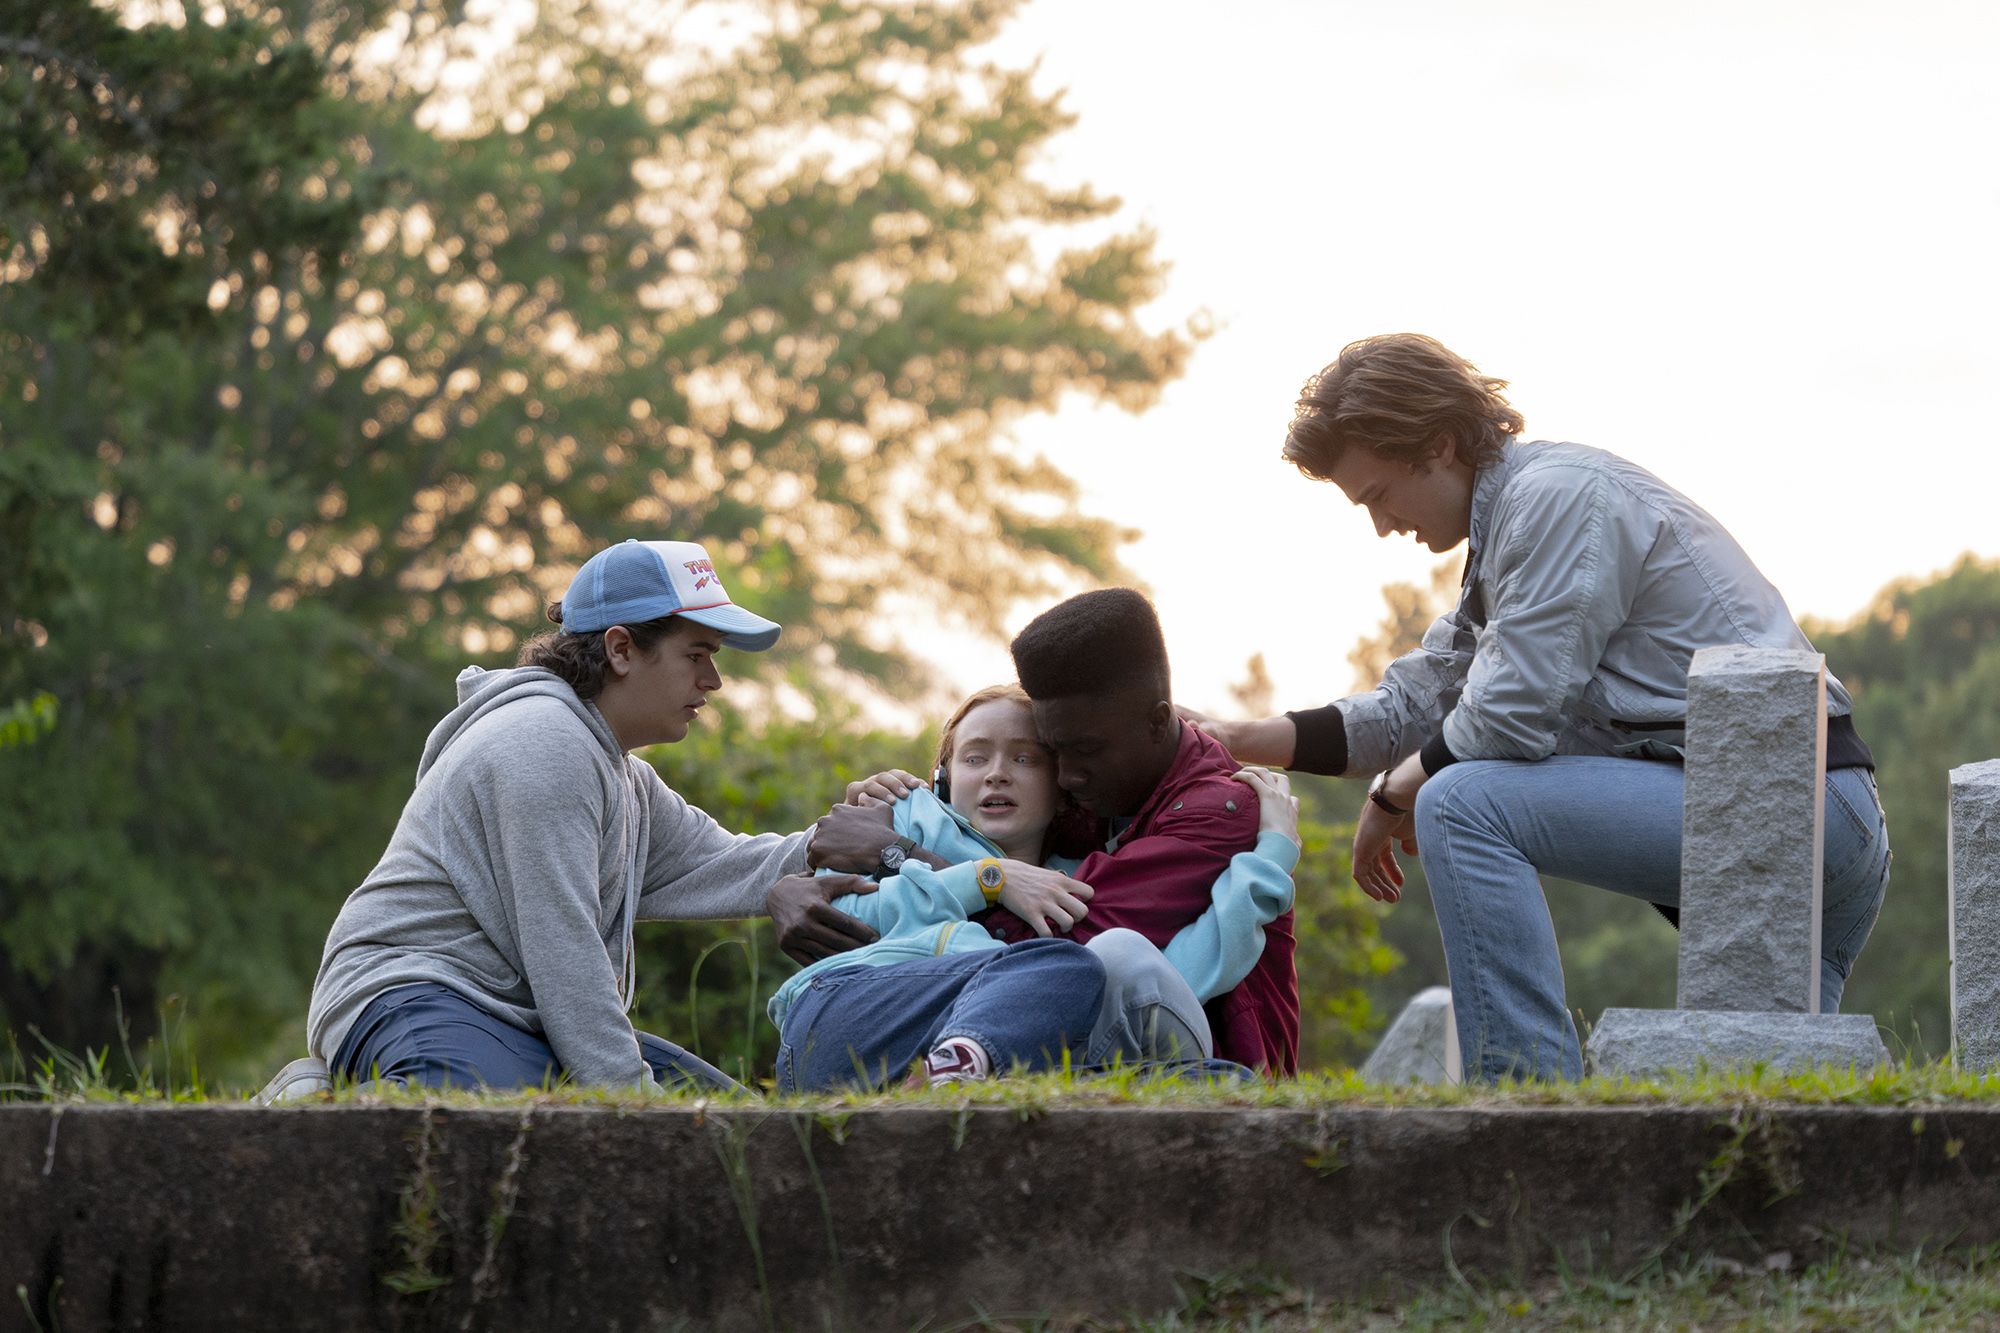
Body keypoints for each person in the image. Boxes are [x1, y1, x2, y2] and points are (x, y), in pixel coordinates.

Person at [1191, 333, 1891, 1082]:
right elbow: (1415, 707)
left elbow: (1507, 712)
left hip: (1789, 805)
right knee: (1758, 1097)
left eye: (1379, 495)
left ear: (1441, 443)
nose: (1382, 525)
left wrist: (1394, 793)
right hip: (1787, 816)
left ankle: (1525, 1095)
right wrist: (1236, 738)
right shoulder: (1509, 532)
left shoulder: (1558, 499)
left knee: (1460, 802)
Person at [305, 538, 821, 1094]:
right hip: (414, 992)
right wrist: (643, 1110)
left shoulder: (620, 773)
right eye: (696, 655)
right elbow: (566, 959)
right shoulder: (543, 743)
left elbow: (725, 864)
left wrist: (857, 834)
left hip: (516, 1022)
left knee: (737, 1131)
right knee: (491, 1134)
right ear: (621, 649)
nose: (712, 681)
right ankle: (311, 1104)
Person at [772, 588, 1304, 1074]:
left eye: (1030, 758)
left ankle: (959, 1066)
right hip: (854, 1013)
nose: (999, 773)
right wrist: (800, 875)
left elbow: (1088, 958)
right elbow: (837, 913)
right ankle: (963, 1064)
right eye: (974, 757)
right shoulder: (914, 813)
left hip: (1067, 1048)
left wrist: (944, 868)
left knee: (1098, 966)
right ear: (942, 773)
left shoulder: (1201, 812)